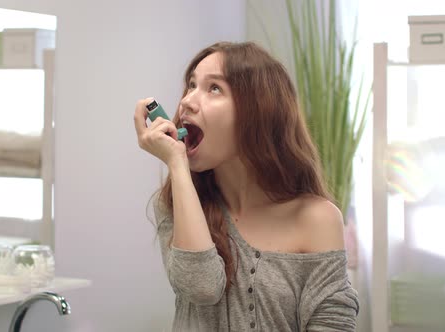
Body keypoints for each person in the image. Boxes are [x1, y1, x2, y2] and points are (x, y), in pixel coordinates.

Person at [134, 41, 359, 331]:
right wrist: (177, 165)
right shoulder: (175, 202)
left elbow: (334, 323)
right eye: (191, 85)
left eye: (214, 88)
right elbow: (202, 287)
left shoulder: (317, 218)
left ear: (258, 111)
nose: (187, 101)